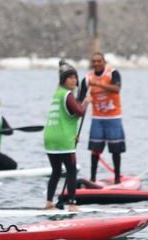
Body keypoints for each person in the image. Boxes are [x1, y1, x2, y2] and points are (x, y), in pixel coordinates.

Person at [43, 60, 88, 212]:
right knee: (71, 170)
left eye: (75, 77)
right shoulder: (67, 95)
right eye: (70, 77)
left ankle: (49, 203)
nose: (74, 80)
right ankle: (72, 204)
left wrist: (73, 134)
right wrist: (87, 101)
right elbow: (80, 112)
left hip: (50, 138)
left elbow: (69, 116)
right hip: (62, 139)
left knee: (56, 171)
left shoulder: (57, 94)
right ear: (63, 80)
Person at [79, 52, 125, 184]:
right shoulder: (88, 78)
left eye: (99, 61)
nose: (96, 64)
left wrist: (99, 84)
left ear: (104, 62)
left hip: (113, 117)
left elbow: (117, 88)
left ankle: (117, 178)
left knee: (115, 149)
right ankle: (93, 178)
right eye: (94, 61)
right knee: (95, 149)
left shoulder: (112, 73)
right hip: (98, 118)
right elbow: (80, 98)